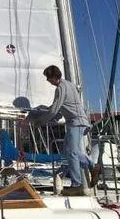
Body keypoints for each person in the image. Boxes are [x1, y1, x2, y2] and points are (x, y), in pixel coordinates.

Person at [28, 65, 100, 196]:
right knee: (68, 152)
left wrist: (40, 121)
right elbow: (60, 107)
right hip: (78, 121)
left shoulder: (61, 88)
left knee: (72, 152)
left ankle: (77, 184)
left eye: (48, 78)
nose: (47, 81)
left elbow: (55, 109)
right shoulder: (69, 85)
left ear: (54, 77)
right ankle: (92, 166)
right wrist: (48, 113)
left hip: (76, 122)